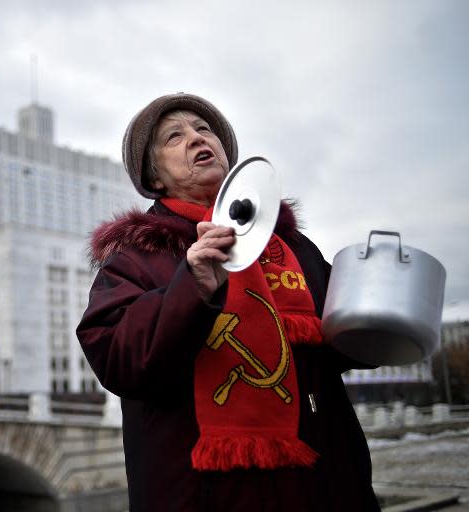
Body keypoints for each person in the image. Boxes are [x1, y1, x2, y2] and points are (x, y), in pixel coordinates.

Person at [76, 93, 379, 511]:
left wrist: (381, 317)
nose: (197, 138)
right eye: (174, 136)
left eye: (204, 130)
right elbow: (116, 359)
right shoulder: (136, 256)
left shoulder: (287, 245)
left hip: (326, 482)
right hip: (206, 493)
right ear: (155, 176)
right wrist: (192, 287)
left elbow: (343, 344)